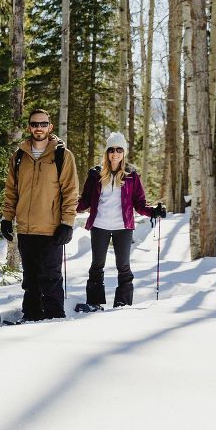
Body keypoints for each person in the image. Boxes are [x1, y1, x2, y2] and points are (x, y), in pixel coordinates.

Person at [1, 109, 79, 322]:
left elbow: (70, 192)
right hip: (25, 229)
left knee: (51, 278)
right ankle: (31, 318)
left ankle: (55, 320)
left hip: (51, 229)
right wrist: (7, 218)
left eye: (43, 124)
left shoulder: (63, 156)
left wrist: (67, 223)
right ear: (29, 127)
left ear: (50, 127)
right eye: (35, 124)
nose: (39, 128)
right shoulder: (18, 157)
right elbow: (11, 191)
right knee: (30, 280)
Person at [77, 132, 166, 308]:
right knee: (97, 265)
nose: (115, 153)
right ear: (107, 152)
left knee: (123, 266)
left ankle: (122, 304)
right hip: (100, 225)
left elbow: (139, 203)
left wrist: (153, 211)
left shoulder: (131, 175)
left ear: (124, 152)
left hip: (123, 226)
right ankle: (95, 303)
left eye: (119, 150)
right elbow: (85, 200)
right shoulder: (95, 174)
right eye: (112, 149)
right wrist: (70, 207)